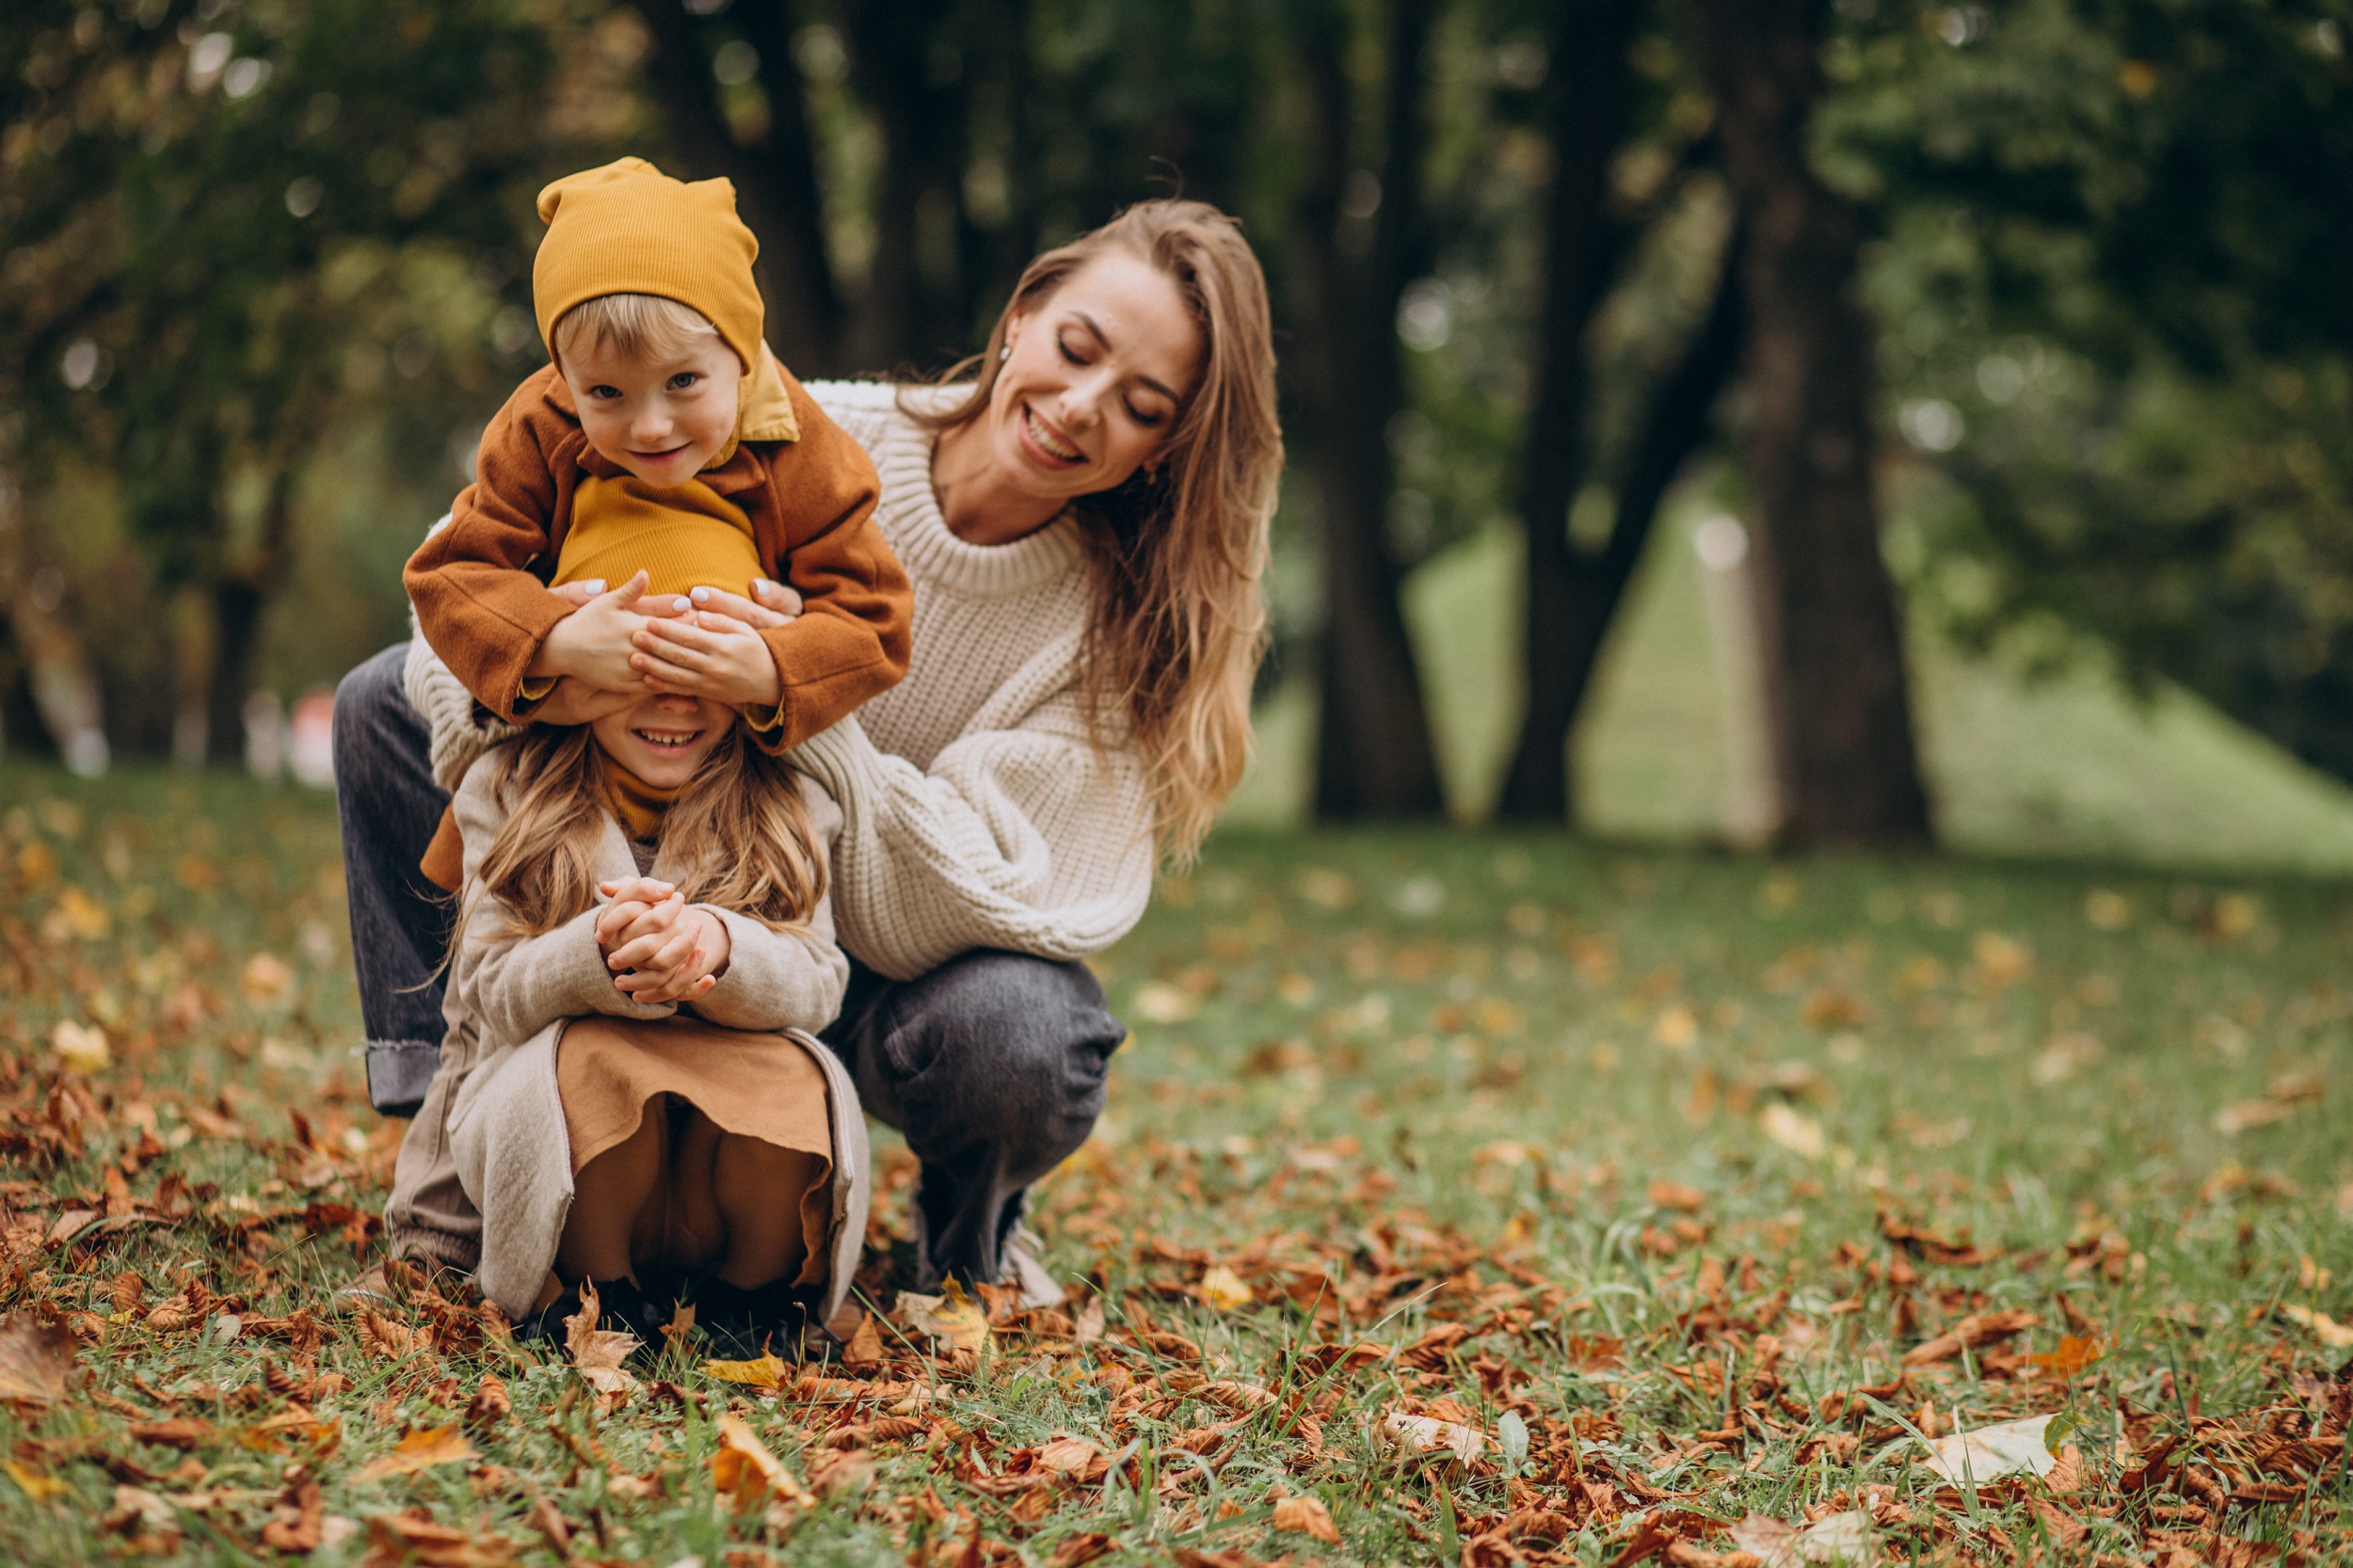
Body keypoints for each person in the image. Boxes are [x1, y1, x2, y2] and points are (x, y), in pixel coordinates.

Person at [339, 197, 1282, 1304]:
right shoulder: (781, 423)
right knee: (378, 703)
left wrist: (786, 695)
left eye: (1141, 405)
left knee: (1029, 1029)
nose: (1080, 408)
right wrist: (559, 648)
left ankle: (965, 1234)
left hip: (860, 958)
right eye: (1076, 349)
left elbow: (987, 894)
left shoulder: (1124, 624)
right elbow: (447, 624)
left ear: (1169, 442)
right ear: (1023, 315)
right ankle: (451, 1126)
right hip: (626, 861)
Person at [420, 675, 864, 1352]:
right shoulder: (506, 786)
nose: (676, 703)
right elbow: (489, 987)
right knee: (592, 1060)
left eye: (704, 674)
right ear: (580, 670)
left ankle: (749, 1303)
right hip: (583, 1178)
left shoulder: (790, 794)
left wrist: (717, 946)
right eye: (640, 676)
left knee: (796, 1075)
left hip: (723, 1166)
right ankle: (599, 1296)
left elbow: (820, 980)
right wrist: (596, 954)